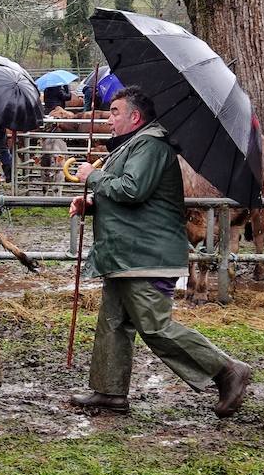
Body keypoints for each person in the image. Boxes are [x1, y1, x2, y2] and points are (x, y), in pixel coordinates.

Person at [67, 86, 251, 417]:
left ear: (135, 117)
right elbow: (131, 196)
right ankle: (109, 392)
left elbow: (133, 190)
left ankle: (226, 369)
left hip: (145, 254)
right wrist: (93, 204)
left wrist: (92, 177)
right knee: (113, 322)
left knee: (155, 326)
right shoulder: (133, 146)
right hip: (125, 254)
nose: (109, 119)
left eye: (115, 112)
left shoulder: (150, 146)